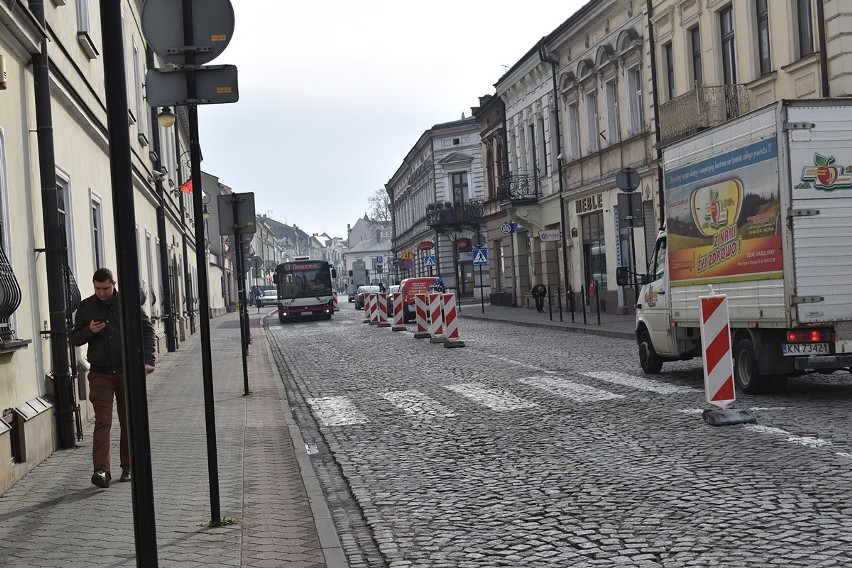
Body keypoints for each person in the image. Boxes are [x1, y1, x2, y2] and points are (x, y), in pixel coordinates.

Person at [71, 268, 155, 488]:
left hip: (127, 371)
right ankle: (101, 471)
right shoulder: (86, 307)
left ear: (113, 284)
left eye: (105, 288)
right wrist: (89, 330)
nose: (101, 293)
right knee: (103, 421)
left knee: (128, 420)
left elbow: (147, 330)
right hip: (100, 373)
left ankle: (128, 466)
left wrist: (148, 360)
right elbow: (75, 339)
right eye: (98, 288)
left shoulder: (127, 304)